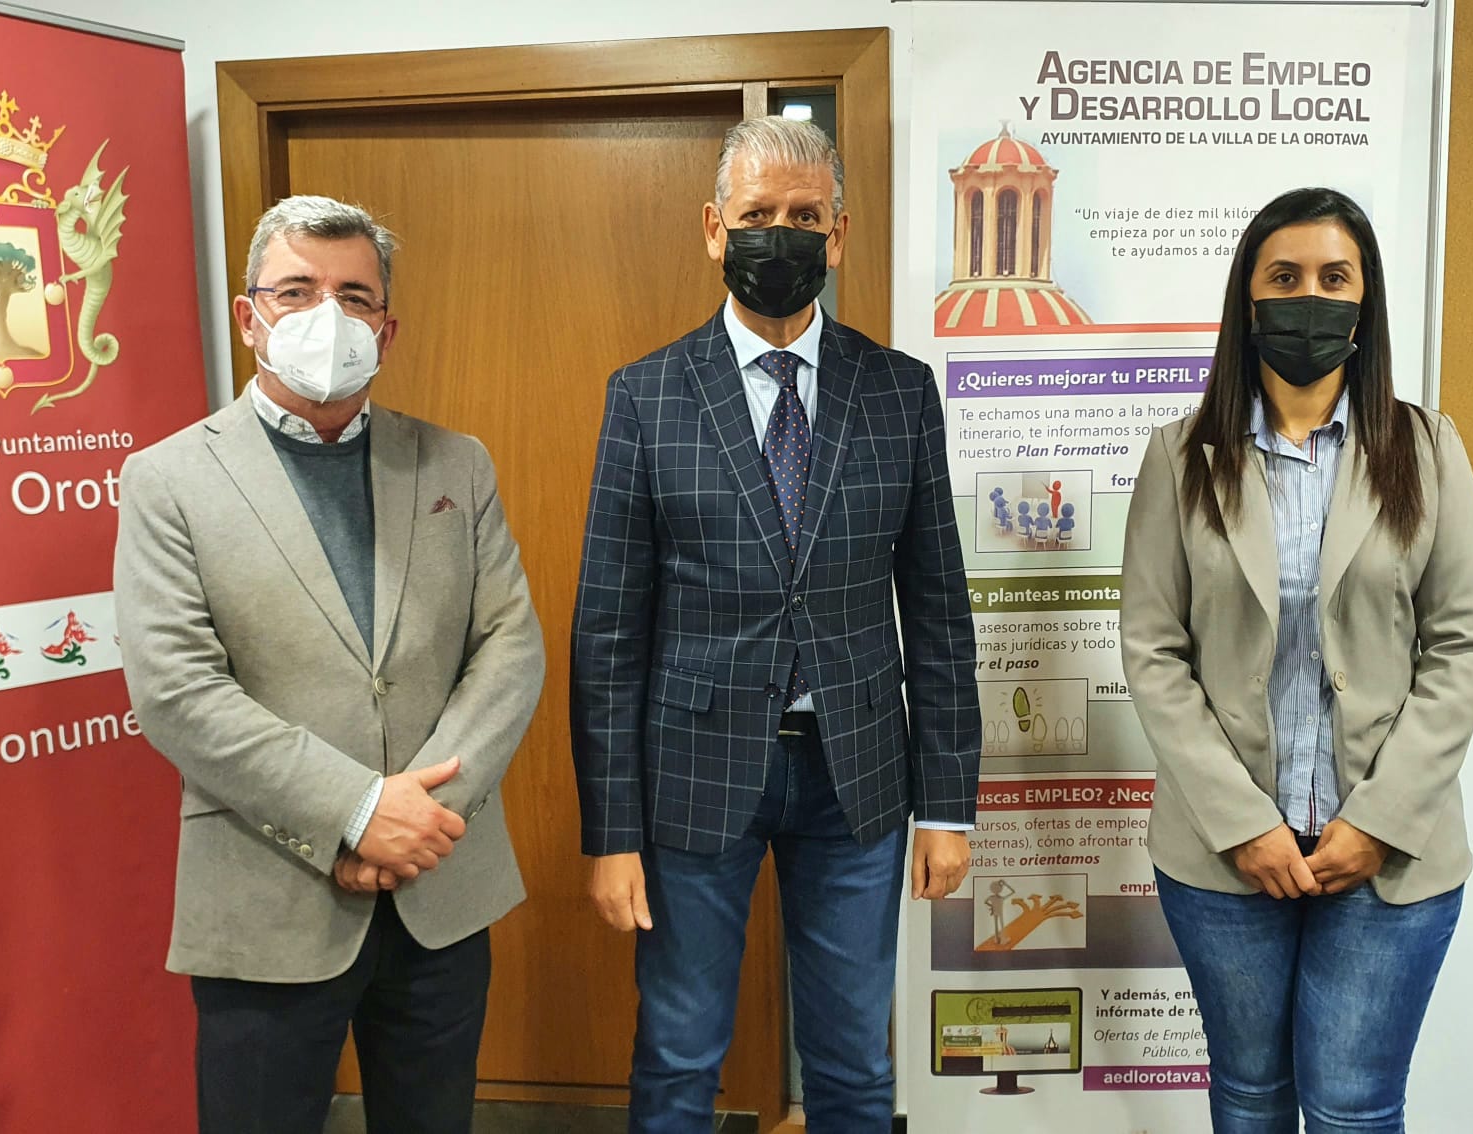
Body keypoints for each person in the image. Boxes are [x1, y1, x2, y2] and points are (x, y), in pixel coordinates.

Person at [570, 116, 982, 1133]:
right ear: (715, 229)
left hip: (857, 776)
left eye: (805, 216)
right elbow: (609, 634)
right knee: (678, 1057)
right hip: (693, 773)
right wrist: (610, 833)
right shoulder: (646, 396)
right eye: (759, 214)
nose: (781, 235)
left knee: (853, 1063)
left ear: (838, 236)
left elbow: (937, 611)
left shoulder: (899, 392)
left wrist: (948, 805)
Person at [114, 195, 543, 1134]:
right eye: (297, 290)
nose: (328, 315)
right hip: (268, 897)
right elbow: (177, 691)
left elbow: (510, 645)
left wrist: (418, 819)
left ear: (385, 329)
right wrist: (355, 811)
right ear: (248, 316)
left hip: (440, 888)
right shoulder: (168, 480)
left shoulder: (456, 464)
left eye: (354, 297)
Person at [1120, 186, 1473, 1133]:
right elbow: (1154, 651)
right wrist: (1242, 823)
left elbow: (1461, 645)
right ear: (1249, 301)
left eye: (1335, 278)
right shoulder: (1181, 456)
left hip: (1386, 857)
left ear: (1364, 303)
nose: (1309, 299)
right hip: (1226, 856)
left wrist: (1380, 819)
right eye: (1284, 279)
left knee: (1352, 1110)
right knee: (1249, 1097)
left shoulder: (1427, 450)